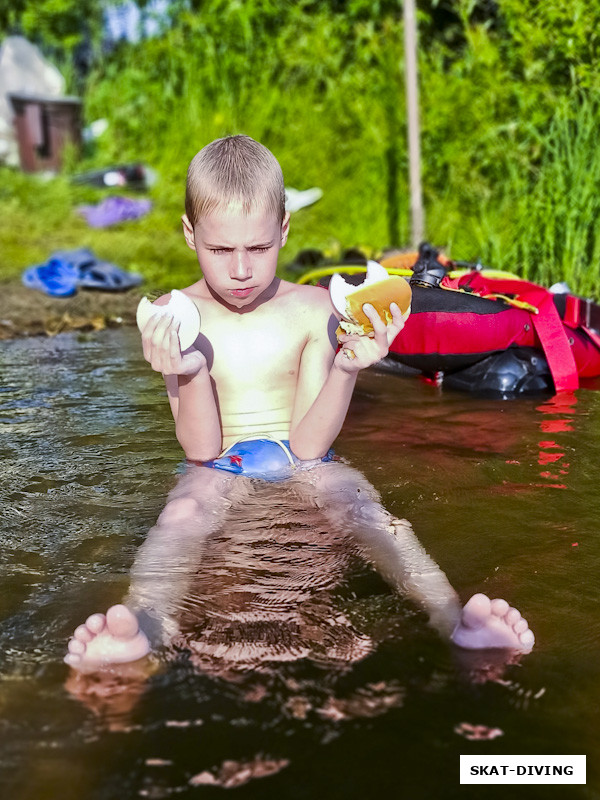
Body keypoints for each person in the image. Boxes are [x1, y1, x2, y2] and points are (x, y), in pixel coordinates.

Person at [65, 135, 534, 675]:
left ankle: (453, 620)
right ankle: (144, 628)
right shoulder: (176, 314)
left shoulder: (313, 310)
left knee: (368, 509)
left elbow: (312, 445)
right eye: (220, 250)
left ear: (284, 230)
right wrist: (188, 370)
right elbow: (200, 448)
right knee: (183, 513)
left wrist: (346, 367)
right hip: (217, 466)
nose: (240, 270)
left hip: (306, 461)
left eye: (258, 248)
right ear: (190, 233)